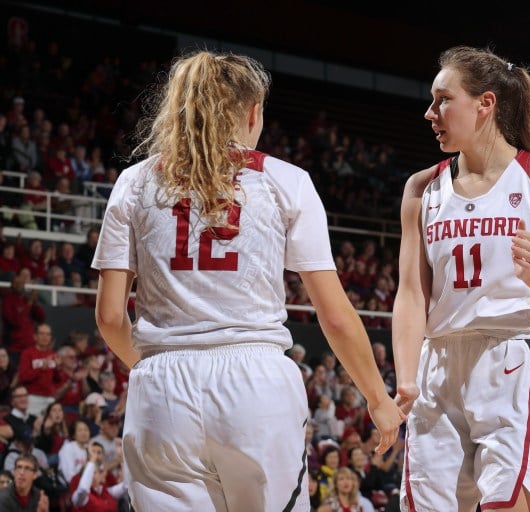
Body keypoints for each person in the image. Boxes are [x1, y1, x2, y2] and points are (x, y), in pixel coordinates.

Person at [92, 50, 404, 511]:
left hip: (160, 383)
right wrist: (378, 400)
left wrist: (153, 369)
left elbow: (110, 315)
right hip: (254, 382)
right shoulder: (286, 180)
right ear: (253, 111)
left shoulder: (134, 182)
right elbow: (335, 316)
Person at [392, 45, 530, 511]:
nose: (431, 113)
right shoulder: (421, 188)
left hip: (513, 356)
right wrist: (405, 378)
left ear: (485, 103)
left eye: (443, 99)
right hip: (438, 362)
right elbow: (410, 293)